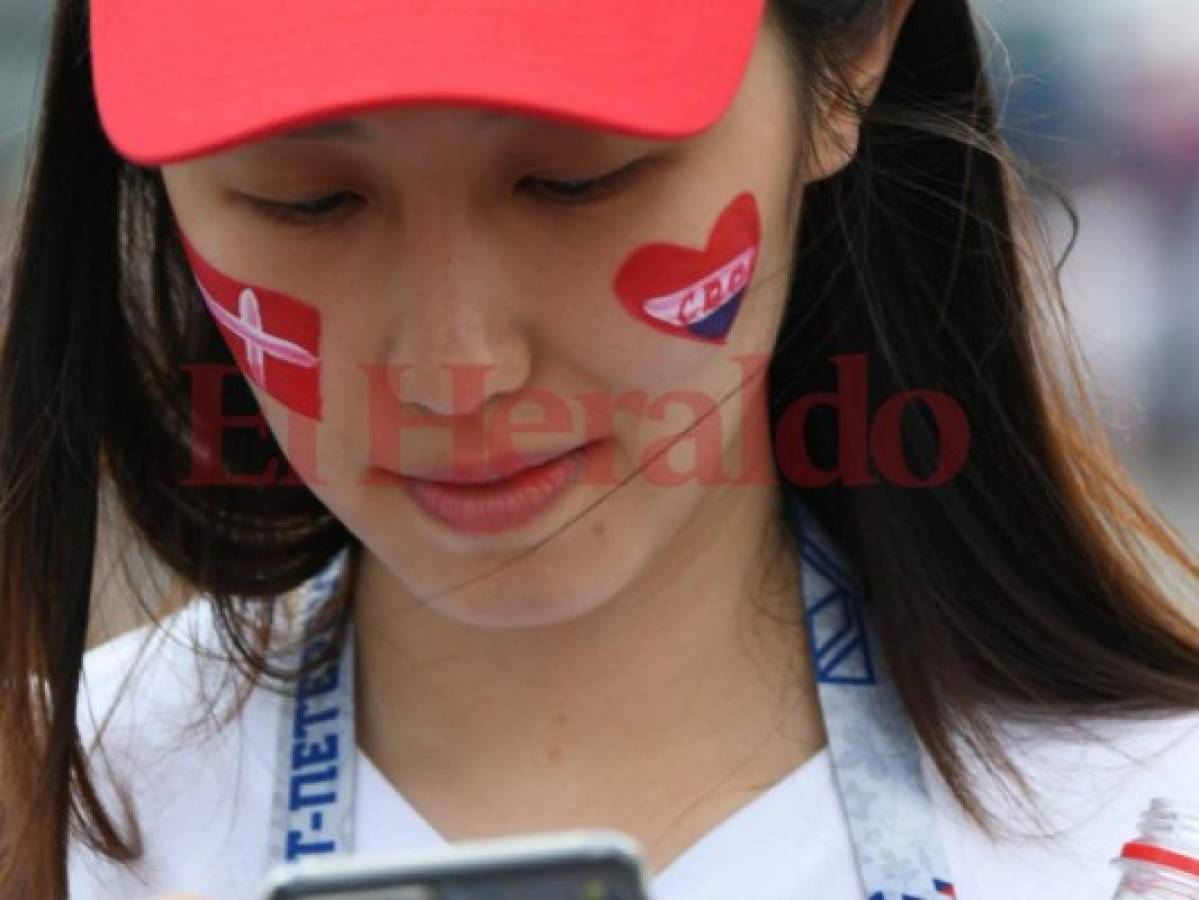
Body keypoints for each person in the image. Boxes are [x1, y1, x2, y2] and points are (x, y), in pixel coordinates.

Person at [1, 0, 1197, 898]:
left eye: (574, 180)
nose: (454, 370)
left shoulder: (1149, 833)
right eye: (307, 202)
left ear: (848, 60)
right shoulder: (51, 834)